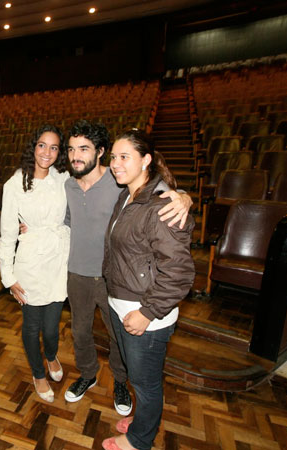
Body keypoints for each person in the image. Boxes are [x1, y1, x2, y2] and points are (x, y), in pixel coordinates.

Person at [63, 120, 192, 415]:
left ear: (100, 152)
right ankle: (88, 374)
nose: (75, 155)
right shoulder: (67, 183)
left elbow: (160, 190)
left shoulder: (119, 178)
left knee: (118, 337)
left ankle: (121, 381)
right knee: (80, 332)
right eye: (71, 149)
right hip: (77, 273)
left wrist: (184, 196)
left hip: (113, 277)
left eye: (83, 148)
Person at [101, 130, 195, 450]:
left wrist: (147, 313)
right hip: (123, 302)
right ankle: (143, 420)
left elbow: (179, 273)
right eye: (113, 157)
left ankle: (140, 440)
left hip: (145, 312)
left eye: (124, 157)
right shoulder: (128, 194)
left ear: (146, 160)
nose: (115, 163)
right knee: (137, 377)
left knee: (146, 384)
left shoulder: (161, 204)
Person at [0, 125, 70, 403]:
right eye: (42, 145)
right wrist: (8, 276)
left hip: (58, 259)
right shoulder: (14, 184)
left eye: (53, 147)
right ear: (33, 147)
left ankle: (51, 355)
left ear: (59, 152)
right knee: (31, 325)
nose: (47, 152)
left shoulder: (63, 178)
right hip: (29, 261)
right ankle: (38, 373)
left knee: (52, 327)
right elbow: (7, 235)